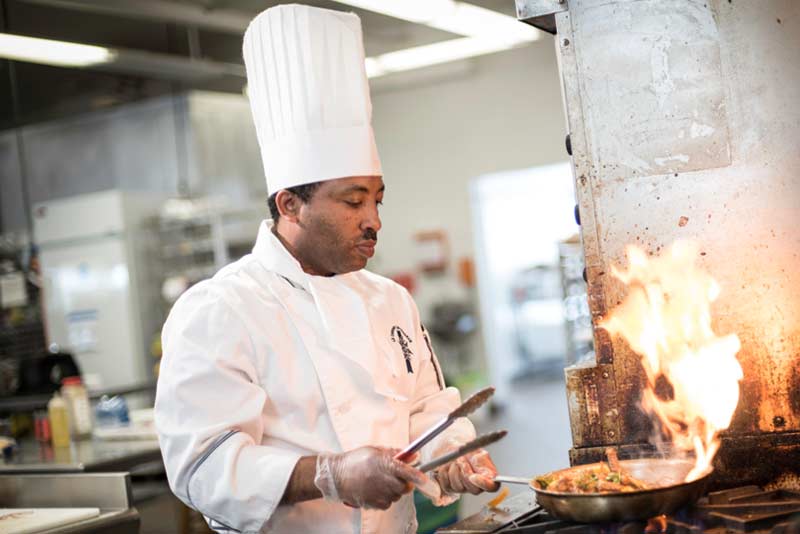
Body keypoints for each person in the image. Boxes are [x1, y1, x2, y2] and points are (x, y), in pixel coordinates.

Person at [154, 5, 498, 533]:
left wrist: (453, 456)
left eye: (377, 200)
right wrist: (328, 474)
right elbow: (201, 468)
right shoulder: (220, 309)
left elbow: (428, 411)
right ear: (290, 204)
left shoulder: (390, 300)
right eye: (352, 201)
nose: (373, 220)